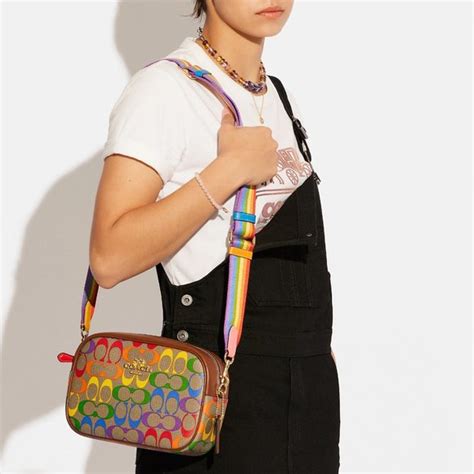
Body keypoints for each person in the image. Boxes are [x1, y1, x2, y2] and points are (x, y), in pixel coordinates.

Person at [90, 0, 340, 472]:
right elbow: (109, 257)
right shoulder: (165, 90)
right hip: (213, 415)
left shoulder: (275, 94)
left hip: (304, 413)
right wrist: (227, 172)